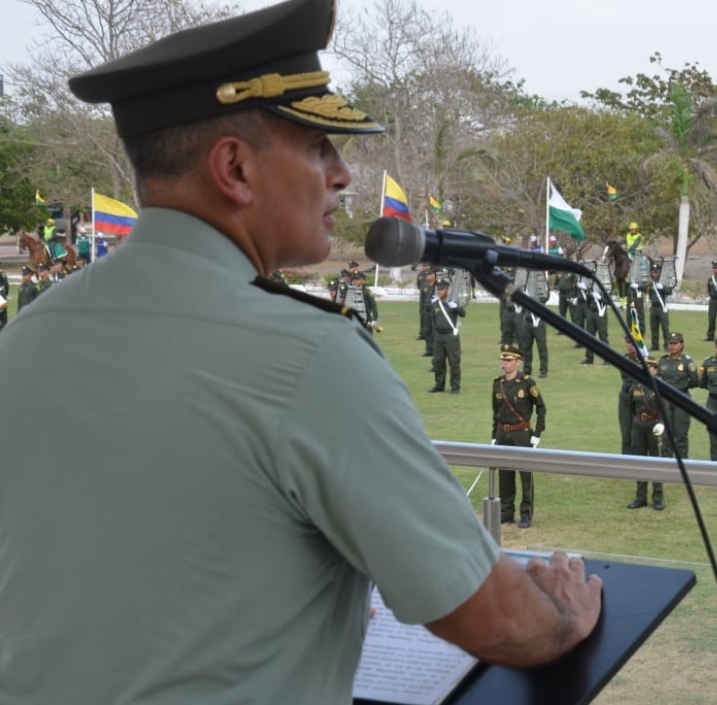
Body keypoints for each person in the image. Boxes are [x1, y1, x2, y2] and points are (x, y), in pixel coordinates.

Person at [0, 2, 601, 702]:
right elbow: (495, 619)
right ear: (234, 167)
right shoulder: (308, 355)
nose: (342, 175)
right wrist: (563, 615)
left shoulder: (29, 335)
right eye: (319, 147)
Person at [493, 344, 546, 529]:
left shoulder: (527, 382)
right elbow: (496, 412)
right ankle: (506, 512)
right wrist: (494, 435)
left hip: (521, 434)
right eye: (503, 360)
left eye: (508, 360)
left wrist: (537, 434)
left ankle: (526, 514)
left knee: (525, 476)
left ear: (517, 362)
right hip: (503, 434)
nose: (504, 363)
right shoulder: (497, 383)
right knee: (505, 475)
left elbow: (541, 408)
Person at [627, 358, 668, 510]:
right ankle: (640, 497)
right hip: (638, 425)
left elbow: (665, 409)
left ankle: (658, 498)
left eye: (649, 367)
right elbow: (631, 406)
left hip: (655, 425)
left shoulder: (660, 386)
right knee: (640, 461)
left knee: (656, 461)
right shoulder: (635, 385)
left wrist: (662, 424)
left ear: (655, 369)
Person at [657, 331, 697, 456]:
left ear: (681, 344)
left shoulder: (687, 362)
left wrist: (682, 387)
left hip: (681, 399)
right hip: (666, 401)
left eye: (675, 343)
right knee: (666, 436)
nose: (672, 346)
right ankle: (667, 466)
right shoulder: (663, 361)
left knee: (680, 436)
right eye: (670, 343)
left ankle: (682, 464)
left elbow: (695, 381)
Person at [430, 280, 465, 393]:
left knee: (454, 362)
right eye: (438, 289)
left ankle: (455, 387)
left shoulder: (453, 302)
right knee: (438, 361)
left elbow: (463, 314)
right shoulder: (435, 304)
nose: (440, 292)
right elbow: (433, 320)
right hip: (439, 336)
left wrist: (457, 307)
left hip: (451, 336)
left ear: (447, 290)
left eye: (442, 289)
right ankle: (439, 385)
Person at [647, 263, 672, 350]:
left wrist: (662, 288)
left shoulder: (664, 282)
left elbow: (669, 291)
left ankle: (667, 346)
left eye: (656, 272)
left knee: (665, 328)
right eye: (653, 272)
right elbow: (650, 294)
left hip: (662, 307)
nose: (654, 274)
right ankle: (655, 346)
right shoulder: (651, 284)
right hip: (653, 308)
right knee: (654, 328)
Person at [415, 265, 436, 351]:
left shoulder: (431, 274)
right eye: (423, 266)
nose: (424, 267)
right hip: (422, 297)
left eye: (426, 266)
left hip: (429, 298)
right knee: (422, 315)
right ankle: (422, 333)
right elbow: (418, 285)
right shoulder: (420, 274)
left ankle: (429, 335)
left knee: (429, 318)